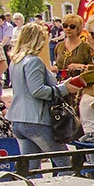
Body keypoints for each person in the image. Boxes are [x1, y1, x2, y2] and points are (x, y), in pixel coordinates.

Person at [5, 23, 83, 168]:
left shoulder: (16, 61)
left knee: (31, 167)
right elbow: (37, 91)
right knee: (65, 163)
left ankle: (31, 183)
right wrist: (64, 88)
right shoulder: (33, 61)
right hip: (35, 119)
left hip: (18, 119)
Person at [54, 13, 94, 77]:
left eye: (72, 27)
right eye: (65, 26)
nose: (68, 28)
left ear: (78, 29)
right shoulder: (59, 46)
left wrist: (81, 66)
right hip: (61, 81)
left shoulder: (86, 47)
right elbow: (57, 64)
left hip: (81, 81)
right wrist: (54, 68)